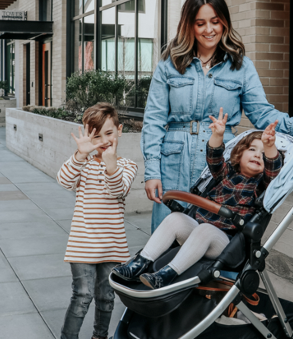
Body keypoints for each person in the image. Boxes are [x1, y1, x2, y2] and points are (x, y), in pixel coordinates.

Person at [142, 0, 293, 232]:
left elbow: (264, 114)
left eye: (215, 21)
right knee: (166, 236)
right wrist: (151, 171)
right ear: (189, 25)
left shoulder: (241, 66)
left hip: (220, 164)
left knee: (208, 240)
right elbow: (153, 121)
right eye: (200, 23)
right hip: (173, 162)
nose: (209, 30)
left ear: (224, 22)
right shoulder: (169, 64)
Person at [115, 111, 282, 289]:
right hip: (197, 231)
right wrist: (217, 135)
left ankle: (166, 274)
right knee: (175, 218)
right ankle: (140, 263)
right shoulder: (225, 174)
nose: (258, 155)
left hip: (225, 242)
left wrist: (270, 146)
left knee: (205, 229)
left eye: (263, 154)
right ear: (239, 154)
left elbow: (273, 171)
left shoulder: (260, 186)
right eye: (252, 149)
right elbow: (214, 159)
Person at [54, 103, 137, 339]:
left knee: (106, 297)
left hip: (112, 245)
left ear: (120, 131)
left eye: (109, 133)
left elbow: (118, 189)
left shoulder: (126, 166)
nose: (103, 141)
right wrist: (80, 153)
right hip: (83, 244)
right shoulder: (83, 164)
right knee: (82, 296)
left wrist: (110, 160)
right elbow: (64, 180)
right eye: (96, 136)